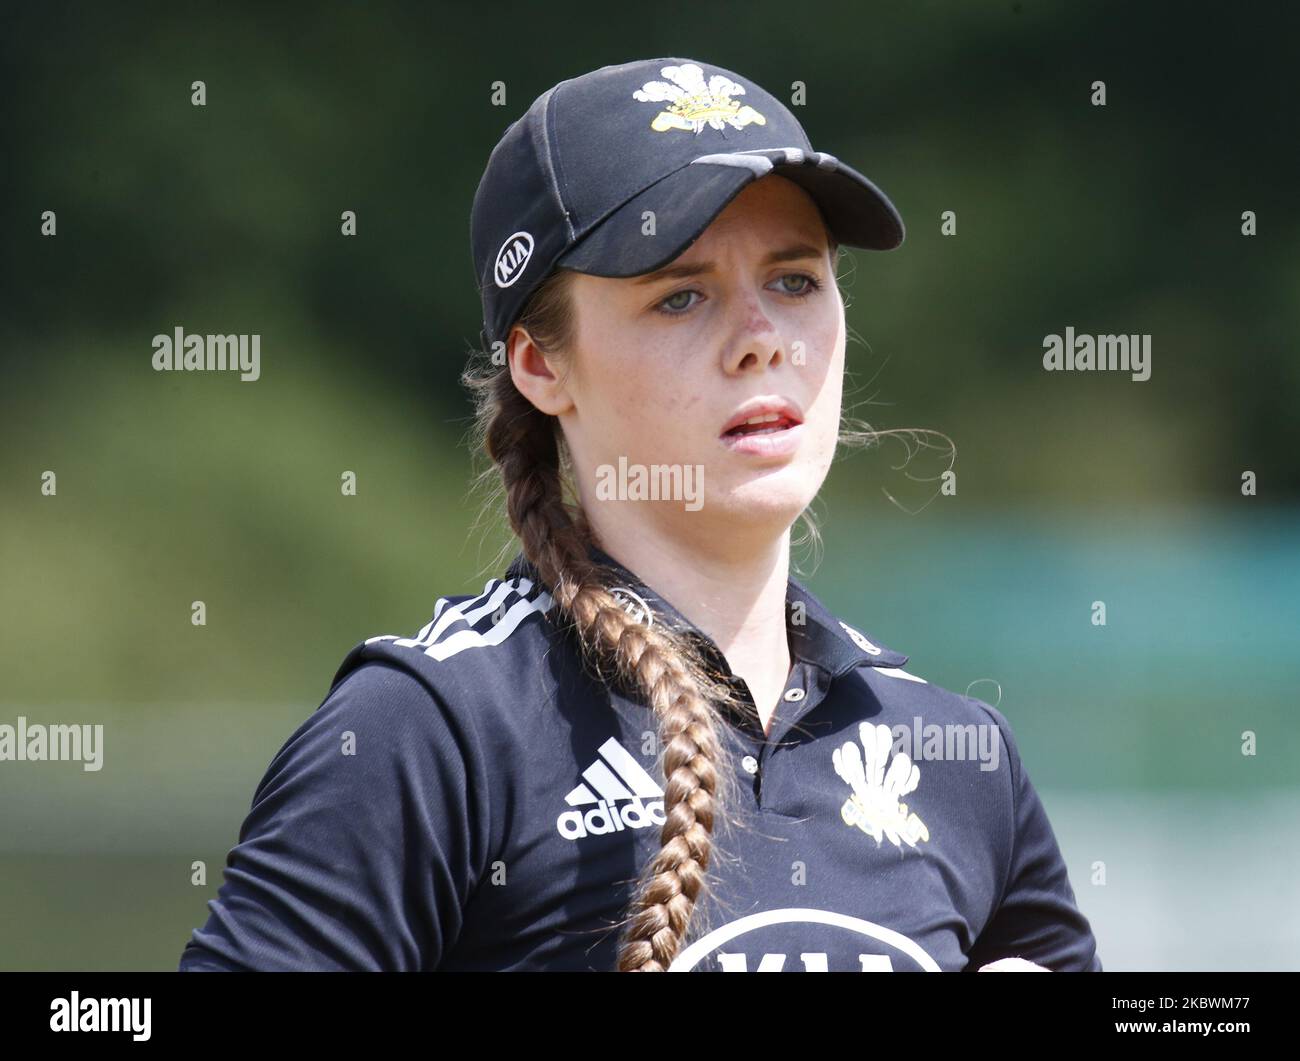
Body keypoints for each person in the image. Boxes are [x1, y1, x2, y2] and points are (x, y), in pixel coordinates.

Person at [178, 57, 1101, 972]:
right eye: (681, 296)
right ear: (542, 365)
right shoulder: (429, 732)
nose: (761, 340)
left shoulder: (959, 757)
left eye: (794, 280)